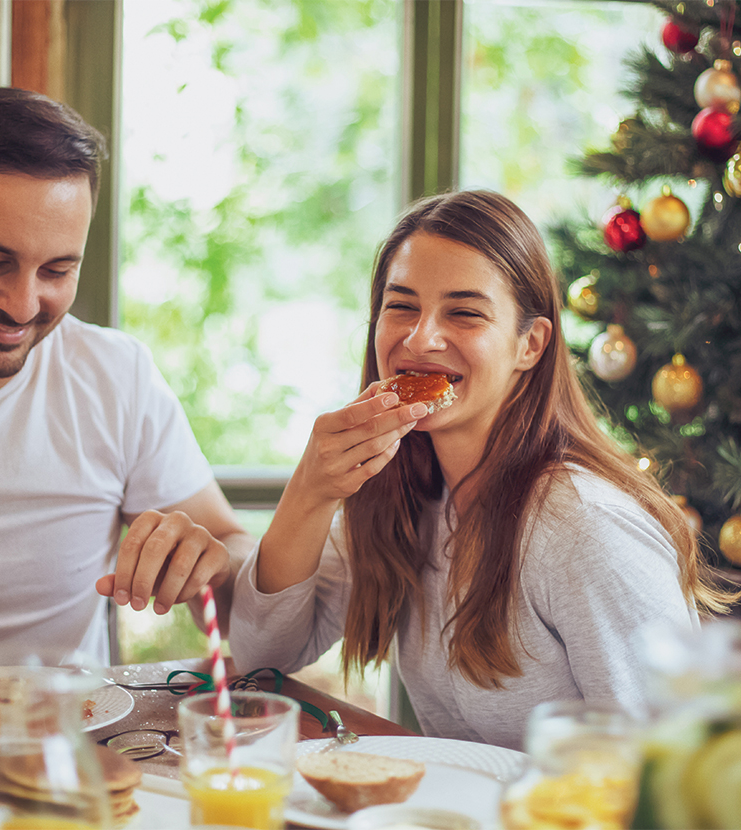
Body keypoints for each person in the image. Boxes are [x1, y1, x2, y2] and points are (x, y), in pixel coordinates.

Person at [229, 189, 733, 750]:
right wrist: (310, 492)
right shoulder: (407, 492)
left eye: (464, 313)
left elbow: (669, 776)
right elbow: (261, 657)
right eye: (401, 306)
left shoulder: (585, 528)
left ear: (530, 345)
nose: (421, 338)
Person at [0, 87, 255, 664]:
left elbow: (229, 559)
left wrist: (211, 559)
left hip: (66, 748)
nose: (22, 305)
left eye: (56, 269)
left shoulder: (112, 377)